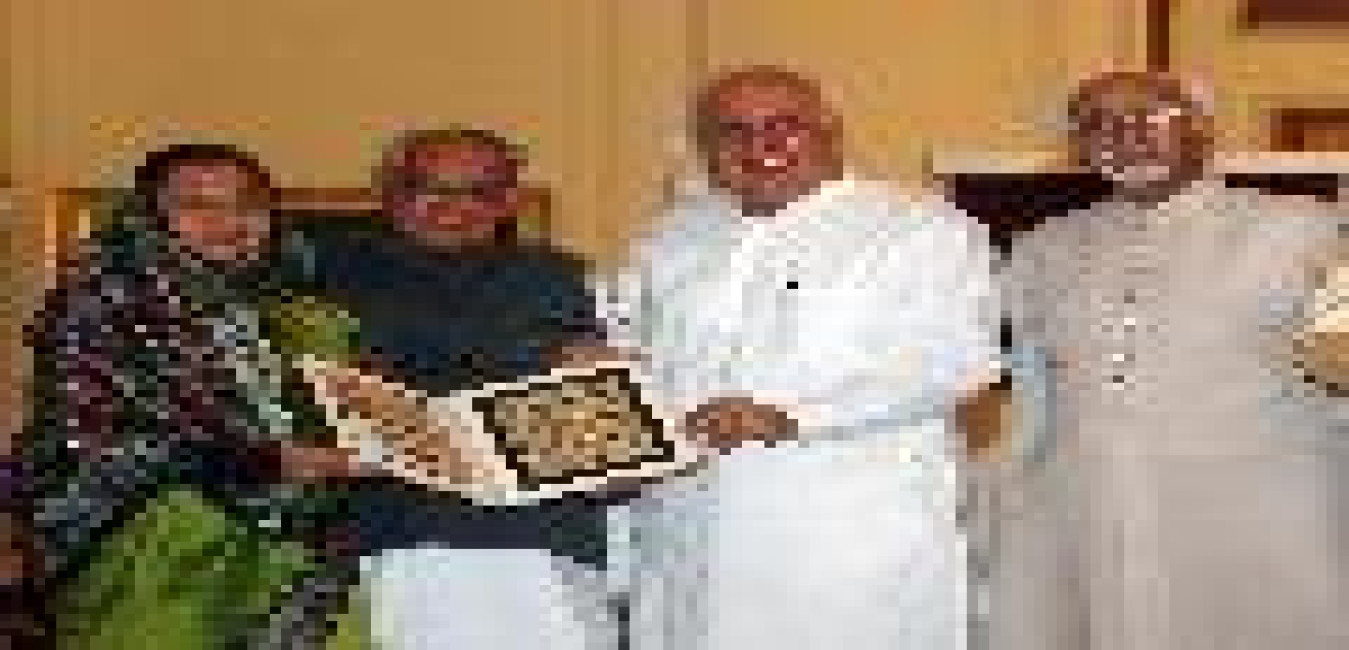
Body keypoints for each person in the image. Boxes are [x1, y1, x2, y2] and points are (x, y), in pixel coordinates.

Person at [604, 65, 1000, 650]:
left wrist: (791, 415)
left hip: (845, 549)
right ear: (704, 149)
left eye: (784, 125)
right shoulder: (671, 239)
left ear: (831, 130)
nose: (758, 144)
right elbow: (624, 354)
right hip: (688, 534)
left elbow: (957, 362)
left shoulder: (917, 230)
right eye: (732, 131)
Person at [990, 70, 1348, 650]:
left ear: (1204, 126)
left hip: (1264, 512)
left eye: (1150, 116)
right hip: (1091, 512)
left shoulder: (1307, 230)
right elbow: (1031, 399)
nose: (1124, 134)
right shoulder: (1042, 247)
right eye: (1098, 124)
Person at [23, 143, 372, 649]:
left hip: (297, 543)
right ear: (149, 216)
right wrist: (268, 461)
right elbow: (97, 439)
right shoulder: (106, 305)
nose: (228, 220)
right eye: (196, 204)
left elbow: (319, 409)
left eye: (247, 202)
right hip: (156, 548)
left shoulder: (296, 303)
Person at [292, 127, 620, 650]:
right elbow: (386, 348)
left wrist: (630, 456)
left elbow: (597, 416)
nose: (452, 207)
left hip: (543, 539)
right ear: (388, 190)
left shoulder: (556, 277)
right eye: (429, 188)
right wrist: (539, 355)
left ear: (509, 200)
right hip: (398, 534)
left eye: (479, 192)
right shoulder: (330, 270)